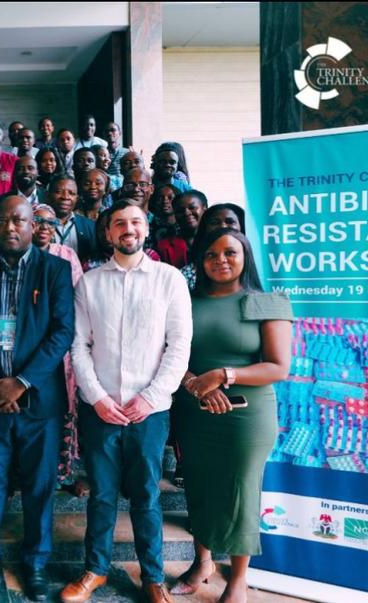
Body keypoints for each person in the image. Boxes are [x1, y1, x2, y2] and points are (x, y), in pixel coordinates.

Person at [61, 199, 192, 603]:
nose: (128, 229)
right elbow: (78, 346)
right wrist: (97, 397)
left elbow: (179, 345)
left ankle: (153, 576)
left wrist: (151, 397)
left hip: (149, 411)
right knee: (101, 494)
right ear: (108, 232)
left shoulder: (169, 280)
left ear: (146, 228)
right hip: (101, 410)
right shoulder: (90, 283)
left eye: (135, 221)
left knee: (146, 495)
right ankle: (95, 570)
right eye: (119, 223)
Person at [0, 196, 75, 602]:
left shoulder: (54, 269)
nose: (11, 227)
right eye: (5, 219)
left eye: (19, 220)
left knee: (40, 486)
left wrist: (21, 382)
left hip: (38, 401)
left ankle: (36, 562)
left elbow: (62, 332)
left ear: (33, 225)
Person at [169, 228, 293, 602]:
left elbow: (278, 366)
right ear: (199, 260)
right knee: (199, 487)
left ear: (245, 257)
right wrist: (196, 384)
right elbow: (169, 353)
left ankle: (238, 579)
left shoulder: (265, 301)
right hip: (194, 411)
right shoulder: (185, 301)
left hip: (246, 418)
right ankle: (202, 562)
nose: (220, 260)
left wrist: (223, 375)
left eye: (229, 253)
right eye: (210, 254)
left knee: (241, 492)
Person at [31, 204, 85, 493]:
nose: (44, 227)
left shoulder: (66, 255)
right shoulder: (20, 255)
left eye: (50, 223)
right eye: (38, 221)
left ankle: (61, 473)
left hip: (61, 345)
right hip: (28, 345)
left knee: (63, 408)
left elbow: (77, 300)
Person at [181, 202, 247, 290]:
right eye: (215, 223)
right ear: (205, 228)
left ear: (241, 226)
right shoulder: (185, 276)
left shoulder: (260, 264)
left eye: (230, 222)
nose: (223, 226)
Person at [49, 176, 97, 266]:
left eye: (71, 193)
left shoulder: (90, 226)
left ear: (77, 199)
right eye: (59, 192)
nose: (65, 197)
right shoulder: (38, 224)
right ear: (48, 195)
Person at [148, 184, 185, 267]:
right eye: (160, 198)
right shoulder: (149, 227)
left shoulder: (184, 226)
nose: (165, 201)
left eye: (170, 198)